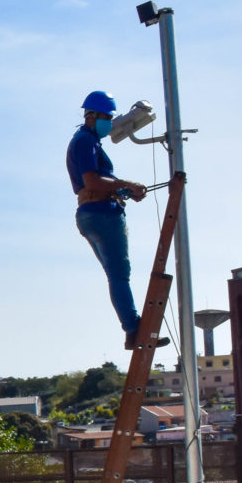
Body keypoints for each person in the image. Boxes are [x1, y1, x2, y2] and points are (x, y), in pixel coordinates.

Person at [68, 91, 166, 351]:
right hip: (101, 213)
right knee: (119, 275)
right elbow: (93, 181)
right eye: (107, 117)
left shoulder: (87, 142)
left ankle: (132, 330)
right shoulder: (84, 141)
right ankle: (134, 329)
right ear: (92, 116)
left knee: (115, 275)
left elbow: (97, 183)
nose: (110, 122)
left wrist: (121, 190)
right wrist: (126, 184)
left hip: (91, 212)